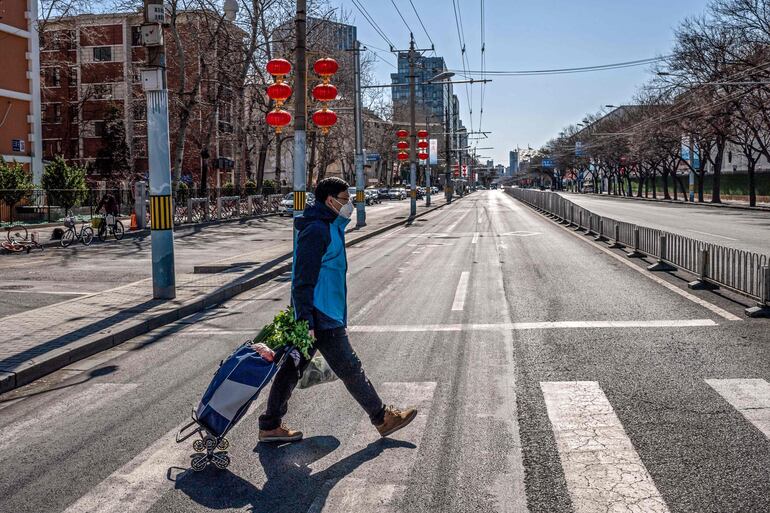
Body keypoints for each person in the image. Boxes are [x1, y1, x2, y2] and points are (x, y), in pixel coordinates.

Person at [258, 177, 417, 443]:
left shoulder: (330, 226)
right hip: (321, 315)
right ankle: (382, 418)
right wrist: (306, 320)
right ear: (330, 200)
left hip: (322, 311)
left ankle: (270, 425)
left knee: (292, 369)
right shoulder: (318, 230)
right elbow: (301, 279)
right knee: (350, 368)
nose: (349, 205)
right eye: (345, 200)